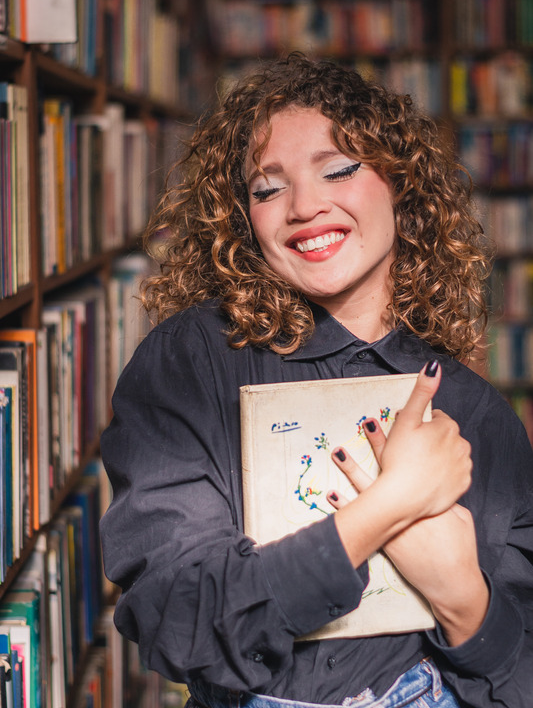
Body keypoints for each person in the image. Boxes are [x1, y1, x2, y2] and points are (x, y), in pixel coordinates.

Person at [99, 53, 533, 708]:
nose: (303, 205)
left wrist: (464, 600)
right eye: (267, 188)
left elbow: (518, 675)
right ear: (242, 218)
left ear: (400, 188)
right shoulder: (191, 363)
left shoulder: (474, 413)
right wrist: (386, 509)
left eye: (338, 169)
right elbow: (178, 625)